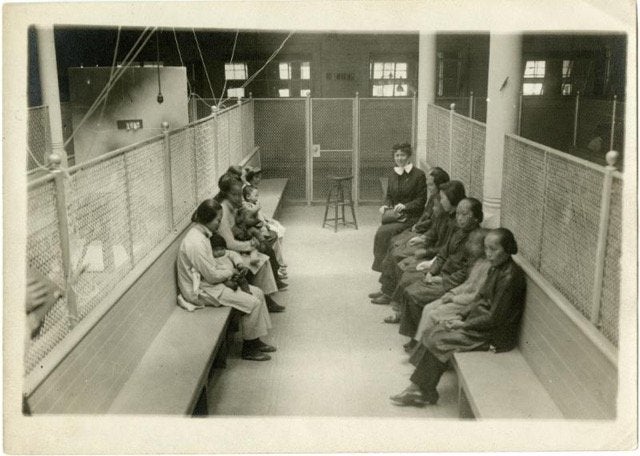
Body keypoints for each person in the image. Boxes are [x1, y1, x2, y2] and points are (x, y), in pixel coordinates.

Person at [390, 228, 526, 407]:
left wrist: (463, 324)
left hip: (494, 335)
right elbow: (479, 298)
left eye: (494, 249)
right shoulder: (496, 268)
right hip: (479, 322)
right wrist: (461, 315)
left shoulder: (509, 277)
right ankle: (421, 389)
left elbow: (494, 318)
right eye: (486, 249)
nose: (489, 254)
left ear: (508, 249)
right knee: (435, 331)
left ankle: (421, 390)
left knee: (440, 338)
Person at [176, 199, 276, 361]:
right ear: (207, 219)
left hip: (208, 284)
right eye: (217, 220)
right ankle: (249, 349)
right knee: (253, 302)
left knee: (257, 292)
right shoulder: (195, 242)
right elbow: (212, 275)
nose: (219, 224)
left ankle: (255, 341)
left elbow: (211, 270)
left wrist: (230, 272)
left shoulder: (202, 234)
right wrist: (230, 272)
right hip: (200, 291)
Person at [399, 197, 484, 352]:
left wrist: (443, 280)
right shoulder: (458, 231)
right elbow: (443, 254)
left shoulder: (476, 240)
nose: (459, 218)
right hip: (442, 275)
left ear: (476, 217)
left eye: (464, 214)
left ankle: (417, 341)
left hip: (453, 284)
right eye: (458, 213)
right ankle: (416, 337)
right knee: (411, 287)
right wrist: (432, 271)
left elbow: (466, 273)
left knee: (415, 294)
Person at [371, 180, 466, 307]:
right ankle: (387, 290)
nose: (441, 201)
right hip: (433, 249)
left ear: (452, 199)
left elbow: (445, 248)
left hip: (435, 255)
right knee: (396, 249)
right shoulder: (446, 214)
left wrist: (427, 252)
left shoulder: (456, 223)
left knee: (401, 261)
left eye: (443, 198)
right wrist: (424, 238)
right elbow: (435, 231)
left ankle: (394, 299)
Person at [215, 175, 286, 312]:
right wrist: (251, 245)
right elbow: (229, 244)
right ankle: (264, 299)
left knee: (263, 256)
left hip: (237, 249)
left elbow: (240, 227)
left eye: (239, 195)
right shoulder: (223, 211)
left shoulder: (233, 207)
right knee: (261, 259)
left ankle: (266, 298)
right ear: (225, 194)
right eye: (234, 195)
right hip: (226, 256)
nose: (239, 199)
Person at [413, 228, 491, 342]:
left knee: (433, 315)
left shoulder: (488, 267)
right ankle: (417, 342)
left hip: (467, 304)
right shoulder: (478, 261)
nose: (468, 245)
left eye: (472, 243)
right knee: (428, 308)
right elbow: (467, 284)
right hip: (459, 298)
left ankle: (421, 346)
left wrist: (454, 298)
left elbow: (476, 296)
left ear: (483, 247)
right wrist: (452, 293)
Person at [371, 143, 426, 272]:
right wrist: (386, 205)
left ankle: (383, 267)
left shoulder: (419, 175)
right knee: (382, 232)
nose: (399, 158)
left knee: (383, 232)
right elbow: (389, 195)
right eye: (397, 155)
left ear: (409, 156)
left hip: (412, 217)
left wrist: (406, 206)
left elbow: (421, 200)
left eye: (403, 155)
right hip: (396, 216)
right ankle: (383, 267)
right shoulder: (393, 174)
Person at [243, 184, 287, 273]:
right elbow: (251, 216)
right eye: (255, 195)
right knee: (274, 236)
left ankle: (280, 261)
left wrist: (267, 222)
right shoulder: (247, 205)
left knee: (277, 232)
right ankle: (279, 264)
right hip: (257, 232)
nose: (257, 197)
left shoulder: (254, 204)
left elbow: (261, 217)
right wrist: (257, 208)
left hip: (262, 227)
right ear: (248, 197)